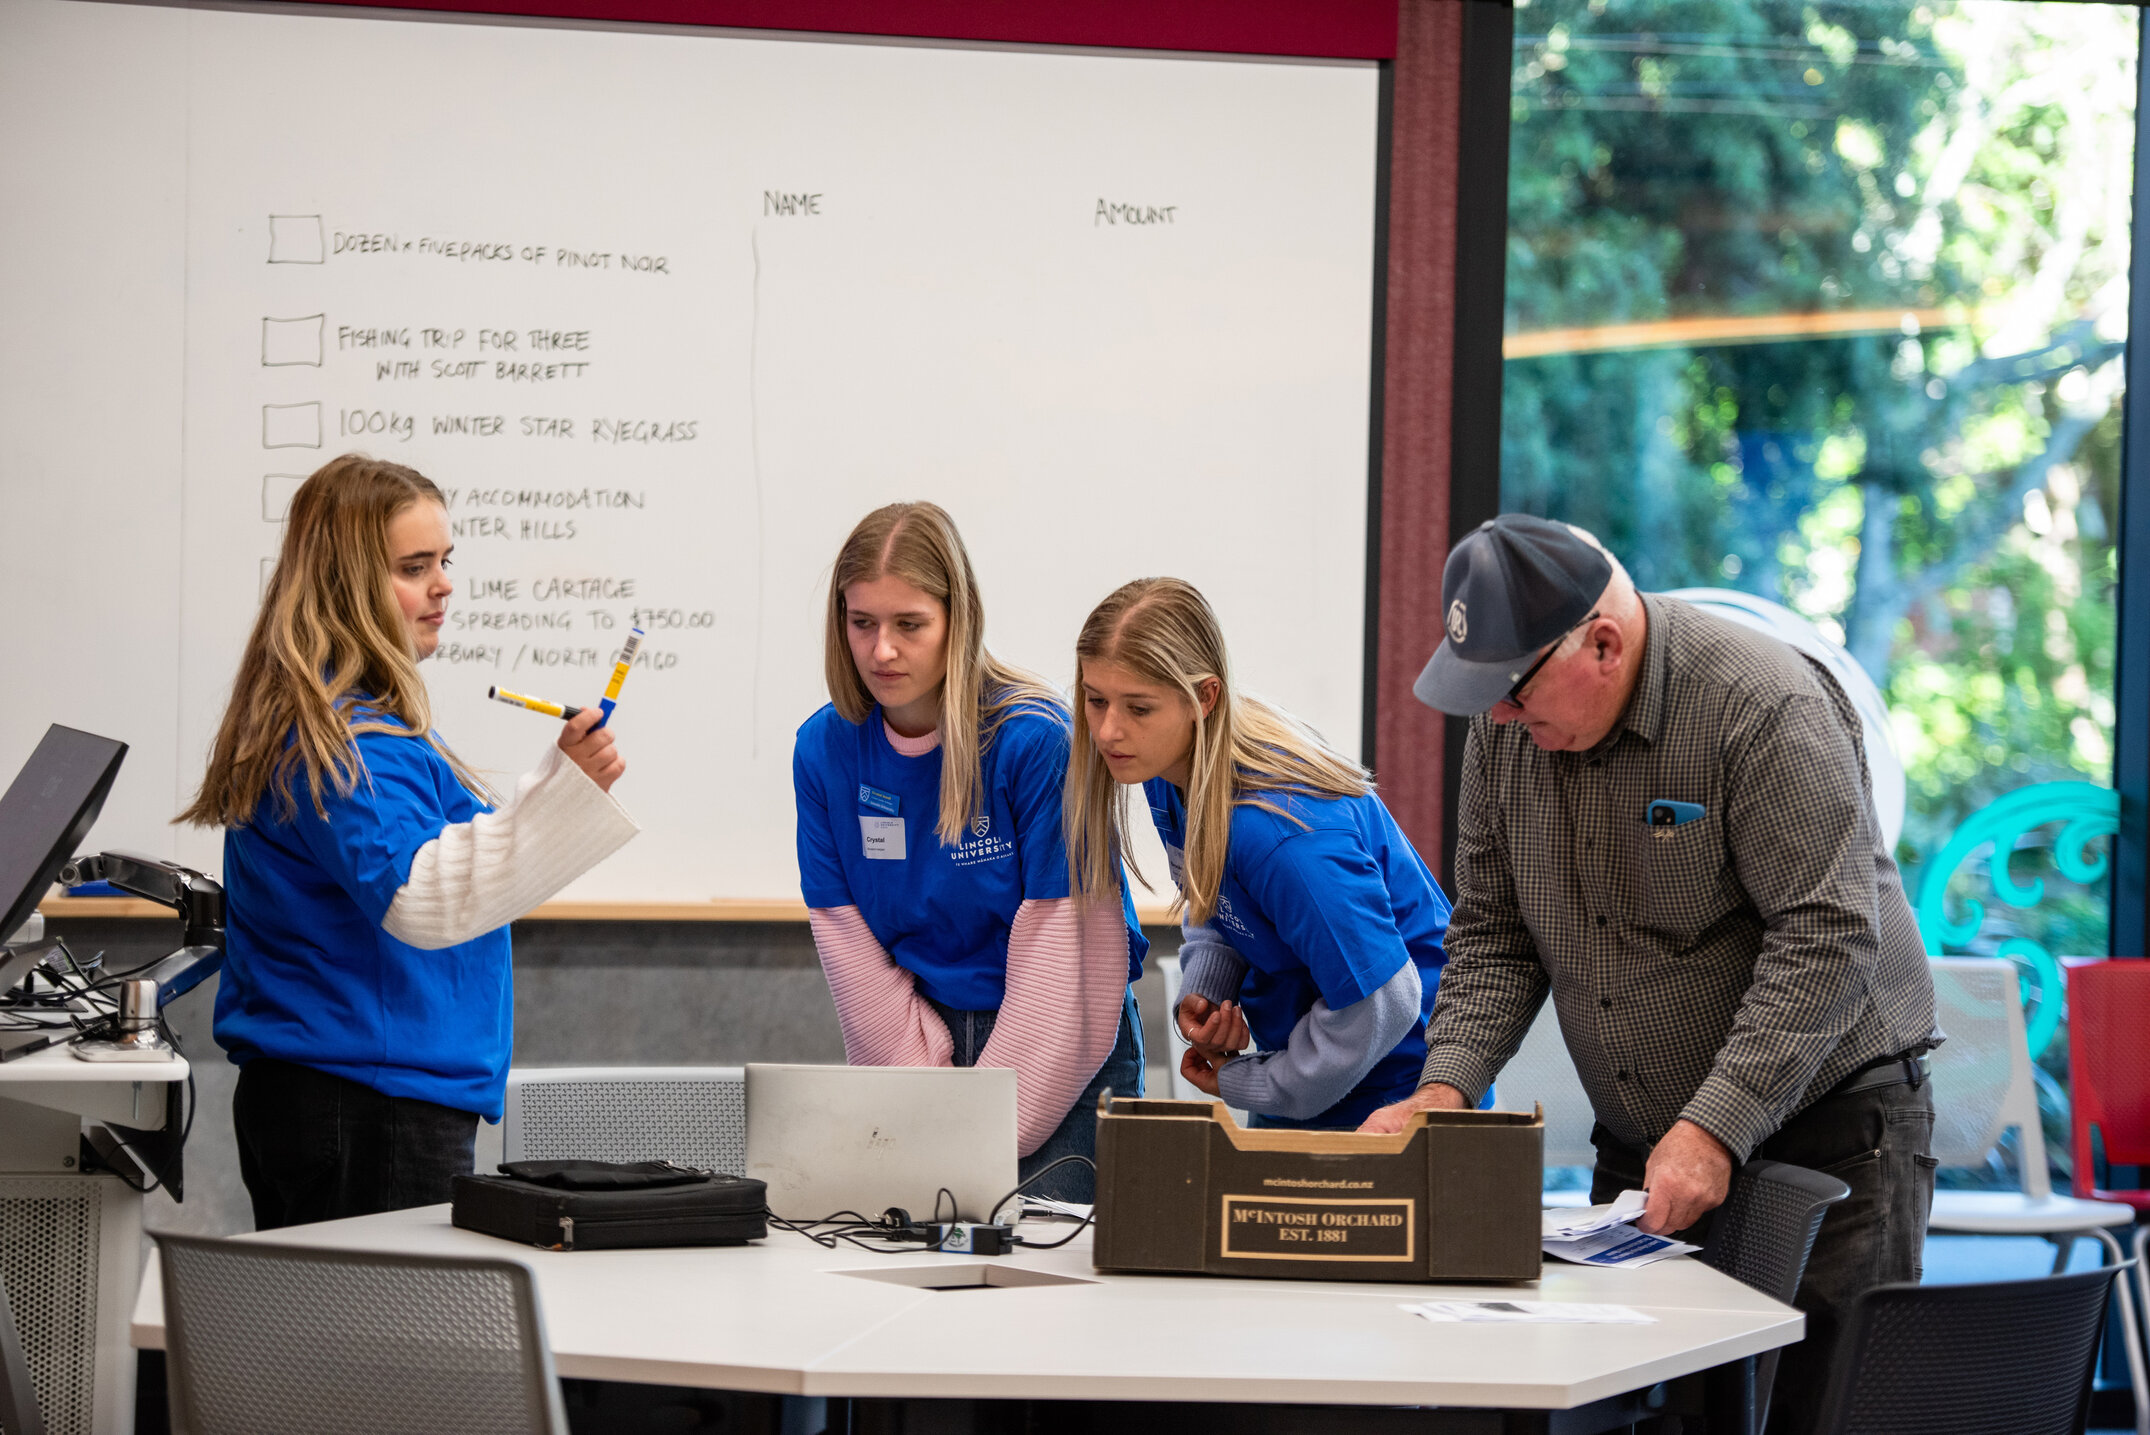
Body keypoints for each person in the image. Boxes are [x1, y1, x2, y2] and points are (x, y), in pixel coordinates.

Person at [1362, 514, 1939, 1435]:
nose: (1500, 717)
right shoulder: (1510, 735)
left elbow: (1827, 935)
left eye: (1513, 691)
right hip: (1645, 1155)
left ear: (1603, 640)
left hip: (1830, 1128)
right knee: (1649, 1416)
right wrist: (1447, 1085)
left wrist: (1715, 1127)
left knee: (1822, 1412)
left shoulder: (1761, 703)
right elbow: (1493, 934)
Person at [181, 454, 639, 1231]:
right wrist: (561, 796)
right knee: (379, 1350)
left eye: (444, 561)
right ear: (345, 584)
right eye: (414, 566)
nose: (444, 584)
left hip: (356, 1098)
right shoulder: (345, 740)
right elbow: (421, 895)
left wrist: (559, 789)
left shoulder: (347, 723)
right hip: (367, 1108)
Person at [792, 502, 1145, 1201]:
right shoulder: (823, 749)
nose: (882, 650)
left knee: (1048, 1283)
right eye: (862, 623)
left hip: (1062, 1052)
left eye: (909, 625)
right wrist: (924, 1093)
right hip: (917, 1046)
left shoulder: (1034, 741)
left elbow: (1068, 952)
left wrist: (978, 1126)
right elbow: (845, 938)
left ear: (958, 619)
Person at [1066, 577, 1453, 1129]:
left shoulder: (1279, 834)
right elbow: (1216, 899)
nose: (1107, 730)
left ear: (1204, 698)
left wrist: (1250, 1082)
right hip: (1310, 1071)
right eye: (1095, 699)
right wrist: (1208, 987)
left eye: (1139, 708)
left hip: (1393, 1093)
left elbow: (1385, 1003)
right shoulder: (1165, 768)